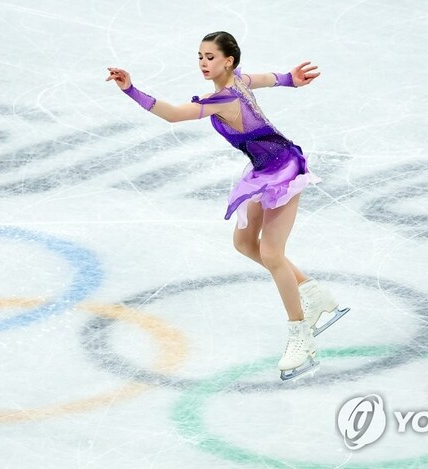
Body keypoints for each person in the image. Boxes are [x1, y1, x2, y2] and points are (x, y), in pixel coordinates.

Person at [106, 31, 348, 381]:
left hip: (283, 171)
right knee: (244, 244)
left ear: (228, 61)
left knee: (271, 253)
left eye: (210, 57)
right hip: (263, 170)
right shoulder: (238, 81)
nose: (204, 63)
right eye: (200, 57)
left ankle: (301, 336)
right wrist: (289, 80)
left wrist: (130, 89)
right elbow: (268, 78)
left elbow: (174, 115)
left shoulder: (223, 98)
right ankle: (314, 293)